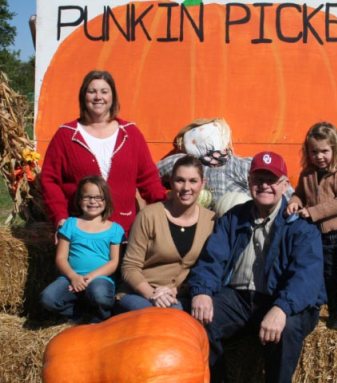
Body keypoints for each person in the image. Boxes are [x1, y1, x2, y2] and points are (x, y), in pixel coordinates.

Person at [189, 151, 326, 383]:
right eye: (258, 179)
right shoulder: (234, 217)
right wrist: (201, 291)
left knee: (288, 329)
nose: (264, 186)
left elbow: (306, 276)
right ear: (250, 182)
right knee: (198, 322)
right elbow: (213, 258)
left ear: (284, 185)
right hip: (239, 299)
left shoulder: (300, 226)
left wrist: (281, 308)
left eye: (271, 180)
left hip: (279, 299)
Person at [40, 70, 166, 237]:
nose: (98, 96)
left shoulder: (131, 134)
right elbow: (49, 180)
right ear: (83, 97)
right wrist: (60, 217)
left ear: (112, 97)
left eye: (104, 91)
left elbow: (148, 179)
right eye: (92, 91)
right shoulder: (66, 135)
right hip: (80, 231)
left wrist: (167, 205)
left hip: (124, 231)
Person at [286, 122, 337, 334]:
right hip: (320, 236)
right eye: (314, 152)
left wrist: (313, 212)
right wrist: (294, 201)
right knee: (327, 276)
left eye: (324, 151)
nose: (319, 156)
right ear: (307, 152)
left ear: (335, 149)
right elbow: (300, 194)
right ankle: (336, 314)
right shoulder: (307, 174)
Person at [117, 155, 215, 311]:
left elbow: (207, 267)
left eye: (193, 181)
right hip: (140, 292)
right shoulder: (149, 215)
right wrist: (152, 294)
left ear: (203, 184)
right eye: (180, 180)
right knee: (158, 316)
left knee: (178, 315)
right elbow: (130, 267)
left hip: (179, 295)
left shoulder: (211, 221)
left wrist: (174, 291)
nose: (186, 188)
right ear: (170, 183)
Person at [40, 176, 125, 323]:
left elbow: (114, 262)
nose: (93, 201)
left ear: (106, 201)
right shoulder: (70, 224)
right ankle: (78, 315)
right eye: (87, 197)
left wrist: (90, 277)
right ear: (79, 200)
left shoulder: (115, 229)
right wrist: (73, 277)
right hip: (71, 277)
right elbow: (61, 258)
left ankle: (102, 317)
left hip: (100, 279)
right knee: (48, 298)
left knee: (99, 294)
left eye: (98, 197)